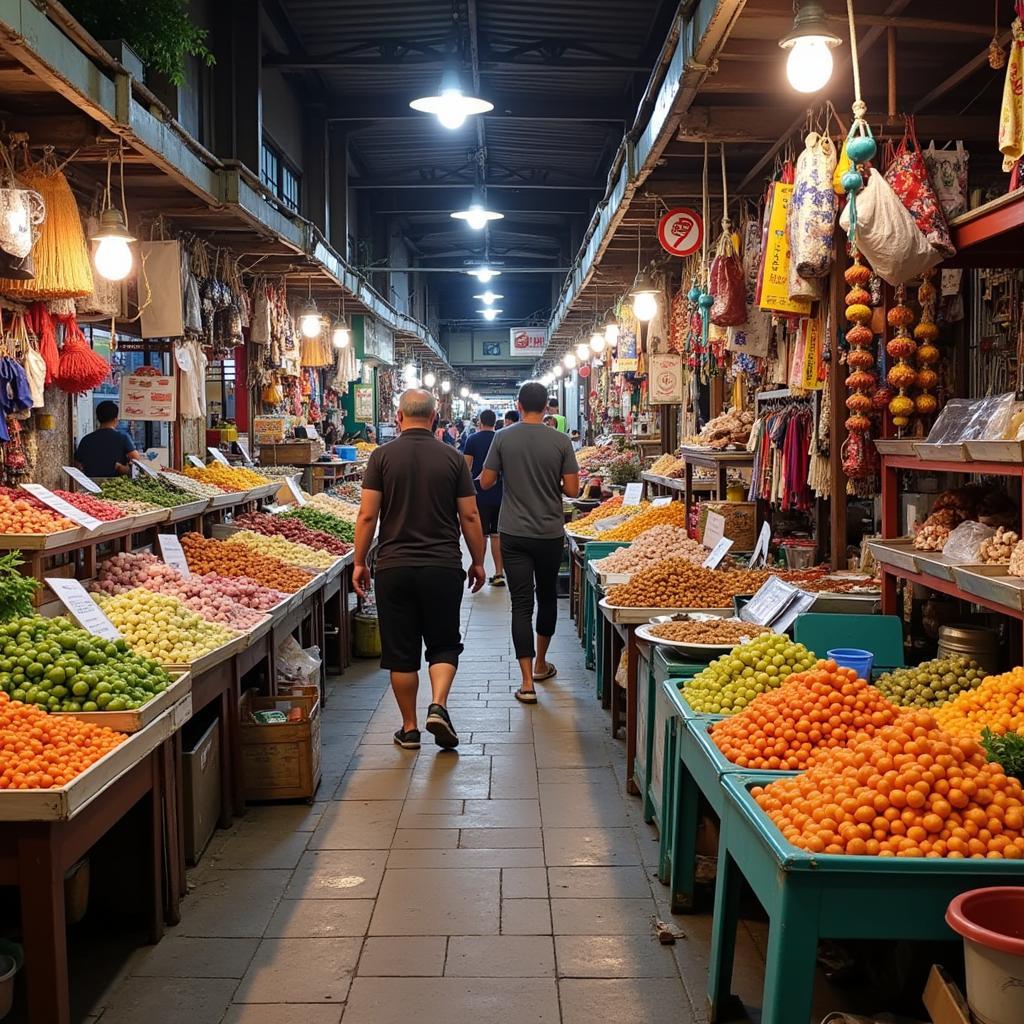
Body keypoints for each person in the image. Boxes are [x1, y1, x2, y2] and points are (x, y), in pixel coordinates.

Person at [353, 389, 486, 750]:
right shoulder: (453, 459)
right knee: (444, 643)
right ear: (434, 417)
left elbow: (367, 514)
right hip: (442, 566)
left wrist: (359, 560)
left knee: (401, 651)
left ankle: (409, 727)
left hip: (394, 568)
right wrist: (477, 559)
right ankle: (438, 706)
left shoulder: (380, 457)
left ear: (398, 417)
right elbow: (470, 515)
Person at [480, 381, 579, 704]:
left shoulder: (502, 437)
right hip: (549, 531)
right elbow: (574, 491)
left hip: (513, 531)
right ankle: (540, 663)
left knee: (521, 603)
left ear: (519, 406)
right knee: (547, 595)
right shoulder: (562, 440)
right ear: (548, 407)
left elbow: (487, 480)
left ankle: (526, 683)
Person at [463, 409, 505, 587]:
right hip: (501, 492)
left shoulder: (472, 439)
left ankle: (479, 567)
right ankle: (499, 573)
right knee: (497, 534)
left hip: (479, 493)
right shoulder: (501, 438)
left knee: (481, 535)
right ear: (495, 422)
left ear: (480, 421)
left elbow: (466, 466)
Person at [75, 401, 141, 478]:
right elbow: (136, 459)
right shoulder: (123, 437)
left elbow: (77, 463)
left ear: (97, 418)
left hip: (90, 484)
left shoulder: (86, 440)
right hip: (116, 485)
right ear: (115, 419)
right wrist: (122, 468)